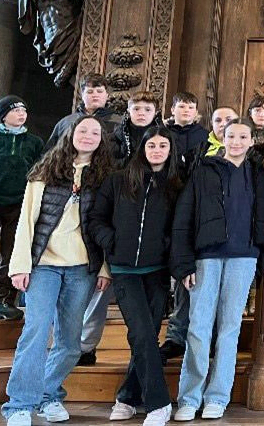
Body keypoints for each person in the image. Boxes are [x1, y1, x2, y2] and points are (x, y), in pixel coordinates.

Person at [1, 116, 113, 426]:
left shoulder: (105, 177)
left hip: (82, 269)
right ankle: (19, 405)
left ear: (102, 139)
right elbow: (26, 222)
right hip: (44, 266)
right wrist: (20, 265)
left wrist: (104, 267)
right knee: (36, 332)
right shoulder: (44, 172)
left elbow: (106, 226)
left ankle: (49, 395)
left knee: (70, 341)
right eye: (82, 130)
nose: (88, 136)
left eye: (95, 132)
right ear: (69, 134)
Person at [170, 119, 264, 421]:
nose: (237, 142)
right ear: (222, 139)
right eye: (231, 136)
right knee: (199, 327)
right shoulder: (204, 170)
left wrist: (260, 258)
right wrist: (184, 262)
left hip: (244, 257)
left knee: (229, 329)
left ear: (252, 141)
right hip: (207, 256)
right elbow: (185, 217)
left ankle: (217, 396)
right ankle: (189, 397)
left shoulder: (257, 174)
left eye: (243, 137)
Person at [90, 127, 182, 425]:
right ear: (143, 148)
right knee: (141, 333)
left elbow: (178, 227)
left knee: (146, 336)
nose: (157, 150)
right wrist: (111, 241)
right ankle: (159, 403)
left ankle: (128, 396)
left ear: (170, 150)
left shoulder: (175, 185)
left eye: (163, 145)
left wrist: (167, 250)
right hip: (124, 270)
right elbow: (96, 218)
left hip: (157, 272)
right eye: (151, 145)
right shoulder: (118, 180)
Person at [78, 90, 163, 366]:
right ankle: (85, 346)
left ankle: (143, 352)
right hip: (113, 214)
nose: (141, 114)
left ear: (155, 113)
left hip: (145, 226)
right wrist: (109, 238)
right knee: (99, 286)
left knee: (145, 306)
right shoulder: (113, 140)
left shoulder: (160, 141)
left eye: (146, 110)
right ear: (129, 111)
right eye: (136, 109)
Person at [161, 105, 239, 364]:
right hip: (197, 226)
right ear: (211, 124)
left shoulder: (246, 154)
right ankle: (176, 337)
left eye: (229, 119)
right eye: (218, 120)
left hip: (230, 232)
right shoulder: (197, 152)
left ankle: (215, 341)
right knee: (187, 284)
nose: (223, 123)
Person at [0, 96, 44, 320]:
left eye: (24, 110)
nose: (21, 114)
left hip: (19, 202)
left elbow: (39, 170)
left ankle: (5, 301)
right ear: (4, 115)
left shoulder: (34, 142)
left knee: (12, 252)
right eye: (15, 110)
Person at [45, 73, 122, 151]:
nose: (95, 95)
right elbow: (49, 153)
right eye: (90, 92)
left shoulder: (119, 122)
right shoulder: (66, 123)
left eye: (99, 91)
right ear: (82, 95)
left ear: (107, 96)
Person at [164, 92, 209, 168]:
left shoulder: (204, 135)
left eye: (191, 107)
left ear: (196, 112)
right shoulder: (163, 132)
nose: (186, 110)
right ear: (173, 110)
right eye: (181, 106)